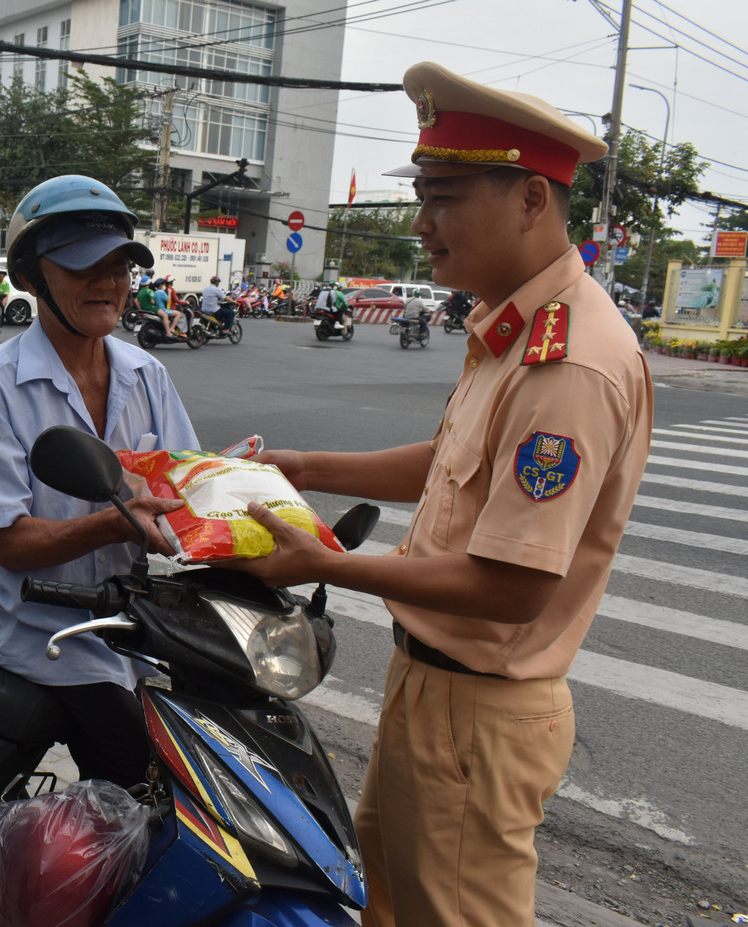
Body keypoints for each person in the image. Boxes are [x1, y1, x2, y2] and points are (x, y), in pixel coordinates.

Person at [234, 62, 653, 927]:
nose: (421, 223)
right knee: (385, 900)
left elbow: (511, 586)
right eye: (421, 195)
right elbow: (446, 461)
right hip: (430, 689)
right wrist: (312, 466)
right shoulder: (511, 327)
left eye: (444, 197)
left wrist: (329, 565)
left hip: (478, 709)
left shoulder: (566, 362)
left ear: (532, 200)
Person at [0, 175, 197, 788]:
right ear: (30, 278)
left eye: (119, 266)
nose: (107, 283)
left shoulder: (147, 374)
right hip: (40, 635)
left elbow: (186, 483)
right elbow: (10, 544)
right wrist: (116, 522)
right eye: (85, 267)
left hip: (130, 625)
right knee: (135, 779)